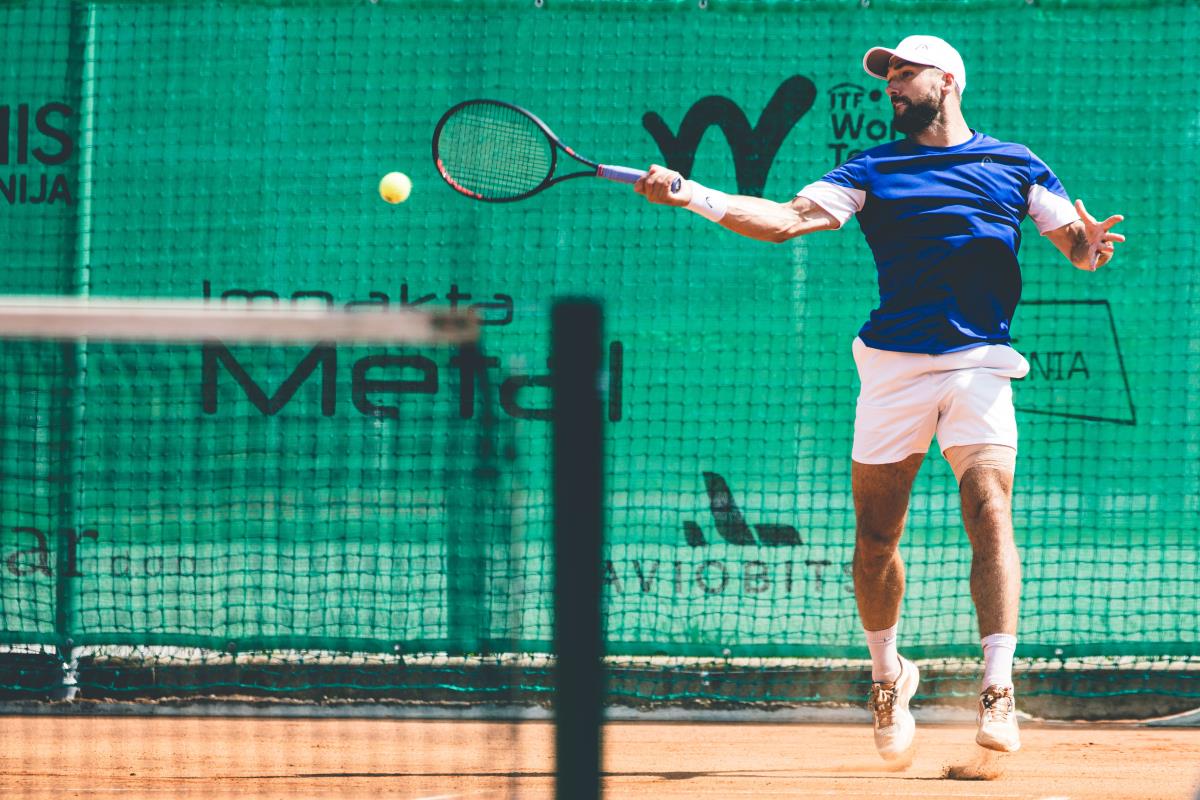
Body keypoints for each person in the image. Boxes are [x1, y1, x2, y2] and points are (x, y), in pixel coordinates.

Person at [634, 34, 1124, 760]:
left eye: (905, 71)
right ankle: (888, 673)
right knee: (875, 541)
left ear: (947, 81)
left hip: (980, 363)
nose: (891, 83)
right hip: (894, 369)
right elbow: (784, 220)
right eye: (887, 75)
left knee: (989, 508)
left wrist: (1089, 246)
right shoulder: (872, 168)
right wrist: (690, 193)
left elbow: (1075, 244)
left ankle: (998, 689)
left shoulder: (1015, 164)